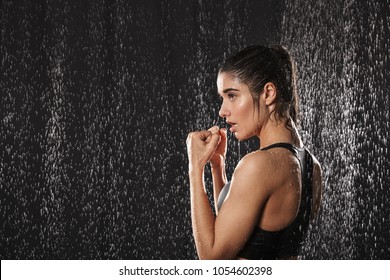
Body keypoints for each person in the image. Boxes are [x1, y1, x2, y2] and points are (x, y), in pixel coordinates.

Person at [186, 45, 323, 260]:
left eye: (232, 95)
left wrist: (195, 169)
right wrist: (217, 167)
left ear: (268, 93)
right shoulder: (312, 166)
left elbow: (212, 260)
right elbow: (238, 233)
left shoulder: (258, 165)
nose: (222, 110)